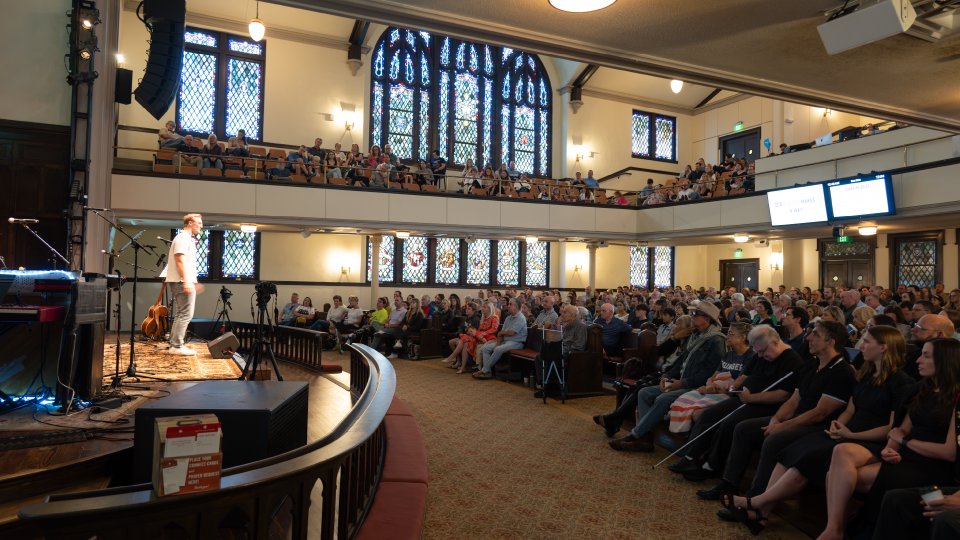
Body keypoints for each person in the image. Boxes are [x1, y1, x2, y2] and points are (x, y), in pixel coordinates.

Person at [722, 326, 915, 535]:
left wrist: (850, 434)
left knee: (806, 456)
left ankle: (758, 503)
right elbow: (850, 409)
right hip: (846, 432)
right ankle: (761, 510)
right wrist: (838, 425)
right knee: (794, 451)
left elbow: (891, 427)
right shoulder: (866, 374)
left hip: (868, 439)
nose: (861, 346)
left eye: (867, 342)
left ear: (883, 348)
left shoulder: (900, 382)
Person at [825, 338, 960, 540]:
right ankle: (837, 529)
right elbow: (901, 429)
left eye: (926, 356)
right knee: (841, 451)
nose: (918, 360)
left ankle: (845, 528)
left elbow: (949, 452)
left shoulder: (956, 397)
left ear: (945, 361)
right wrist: (891, 447)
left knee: (834, 478)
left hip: (932, 465)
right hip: (907, 455)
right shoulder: (923, 389)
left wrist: (905, 442)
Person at [671, 325, 805, 481]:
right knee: (709, 414)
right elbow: (743, 376)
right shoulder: (760, 354)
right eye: (758, 352)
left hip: (764, 405)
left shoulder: (792, 361)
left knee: (729, 423)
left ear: (775, 343)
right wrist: (731, 387)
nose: (760, 356)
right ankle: (691, 457)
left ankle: (711, 466)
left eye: (763, 352)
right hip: (742, 397)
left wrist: (750, 398)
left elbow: (782, 395)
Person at [606, 302, 726, 452]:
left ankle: (635, 435)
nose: (692, 316)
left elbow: (708, 373)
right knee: (644, 392)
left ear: (707, 319)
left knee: (662, 398)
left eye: (696, 314)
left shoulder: (716, 341)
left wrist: (681, 383)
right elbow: (681, 361)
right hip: (680, 381)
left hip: (695, 386)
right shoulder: (697, 335)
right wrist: (666, 376)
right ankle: (645, 438)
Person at [667, 322, 755, 434]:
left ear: (743, 337)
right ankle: (682, 431)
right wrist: (708, 386)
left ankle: (693, 438)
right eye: (728, 333)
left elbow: (739, 383)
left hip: (730, 394)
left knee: (697, 413)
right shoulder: (728, 355)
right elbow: (713, 376)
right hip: (714, 389)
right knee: (680, 402)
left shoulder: (750, 357)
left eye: (731, 334)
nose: (727, 336)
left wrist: (716, 389)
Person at [159, 213, 204, 355]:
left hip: (182, 280)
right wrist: (186, 281)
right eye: (199, 223)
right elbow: (179, 260)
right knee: (185, 314)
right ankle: (177, 346)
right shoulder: (183, 238)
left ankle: (174, 344)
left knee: (181, 313)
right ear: (190, 223)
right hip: (181, 280)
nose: (201, 226)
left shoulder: (186, 238)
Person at [533, 304, 588, 398]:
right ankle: (544, 384)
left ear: (572, 315)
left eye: (565, 312)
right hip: (561, 350)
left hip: (570, 354)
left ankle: (549, 387)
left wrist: (565, 351)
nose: (562, 314)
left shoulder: (580, 326)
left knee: (551, 358)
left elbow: (579, 346)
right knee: (540, 357)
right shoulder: (567, 325)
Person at [474, 298, 527, 379]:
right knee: (485, 348)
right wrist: (498, 344)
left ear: (516, 307)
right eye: (508, 304)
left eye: (510, 304)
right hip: (505, 341)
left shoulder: (521, 318)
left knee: (498, 349)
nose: (508, 306)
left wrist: (501, 335)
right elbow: (500, 334)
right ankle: (488, 372)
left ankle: (485, 370)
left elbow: (511, 333)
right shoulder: (508, 318)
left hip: (516, 342)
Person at [454, 301, 498, 373]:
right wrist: (478, 335)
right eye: (482, 307)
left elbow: (494, 329)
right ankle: (471, 365)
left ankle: (479, 369)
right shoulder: (483, 318)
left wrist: (482, 335)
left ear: (489, 309)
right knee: (468, 342)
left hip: (490, 339)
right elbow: (479, 330)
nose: (482, 309)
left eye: (484, 307)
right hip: (480, 338)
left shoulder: (494, 317)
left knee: (476, 346)